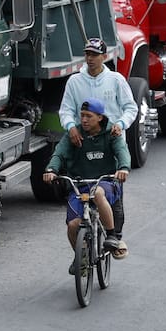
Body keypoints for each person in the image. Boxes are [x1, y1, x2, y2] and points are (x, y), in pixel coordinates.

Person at [42, 98, 130, 269]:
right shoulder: (75, 134)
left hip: (105, 182)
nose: (84, 120)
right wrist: (51, 170)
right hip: (80, 185)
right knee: (73, 225)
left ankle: (112, 236)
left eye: (88, 116)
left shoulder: (112, 132)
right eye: (82, 115)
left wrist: (124, 168)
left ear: (100, 117)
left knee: (97, 194)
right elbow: (59, 154)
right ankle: (81, 256)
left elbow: (122, 151)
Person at [58, 37, 138, 148]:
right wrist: (71, 127)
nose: (90, 59)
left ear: (104, 57)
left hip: (111, 142)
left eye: (94, 55)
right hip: (84, 143)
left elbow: (131, 108)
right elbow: (66, 110)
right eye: (87, 54)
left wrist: (120, 124)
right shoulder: (74, 81)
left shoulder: (116, 80)